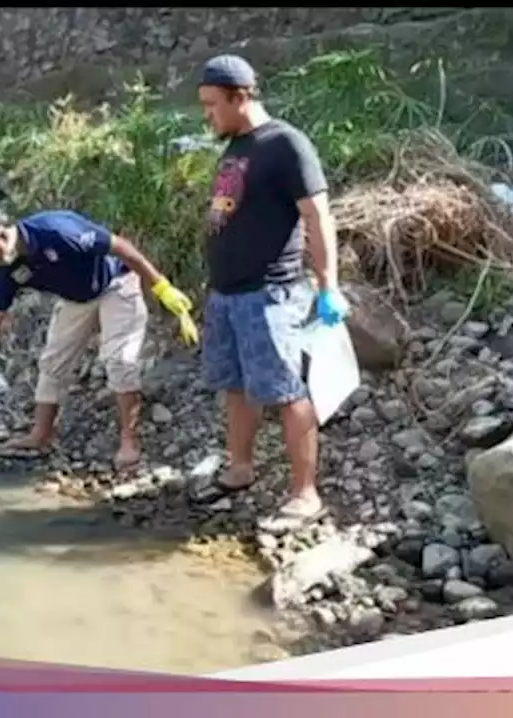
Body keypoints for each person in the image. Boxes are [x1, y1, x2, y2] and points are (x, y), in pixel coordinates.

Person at [188, 54, 350, 534]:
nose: (207, 115)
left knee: (285, 390)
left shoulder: (285, 144)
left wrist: (329, 286)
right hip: (226, 295)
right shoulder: (237, 145)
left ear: (241, 97)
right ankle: (240, 469)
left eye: (212, 105)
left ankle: (305, 495)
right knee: (236, 386)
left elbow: (319, 217)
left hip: (271, 295)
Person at [0, 200, 198, 470]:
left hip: (116, 284)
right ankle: (40, 435)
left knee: (119, 361)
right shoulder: (8, 269)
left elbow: (122, 247)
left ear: (3, 232)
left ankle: (129, 441)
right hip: (76, 299)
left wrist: (162, 287)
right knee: (53, 362)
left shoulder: (58, 231)